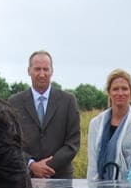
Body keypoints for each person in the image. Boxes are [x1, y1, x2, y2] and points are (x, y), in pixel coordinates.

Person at [9, 50, 80, 180]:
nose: (42, 74)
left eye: (46, 69)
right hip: (25, 179)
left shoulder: (68, 101)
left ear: (52, 71)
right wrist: (31, 165)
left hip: (60, 178)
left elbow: (73, 143)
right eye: (37, 69)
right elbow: (11, 142)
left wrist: (46, 167)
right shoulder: (14, 102)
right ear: (29, 71)